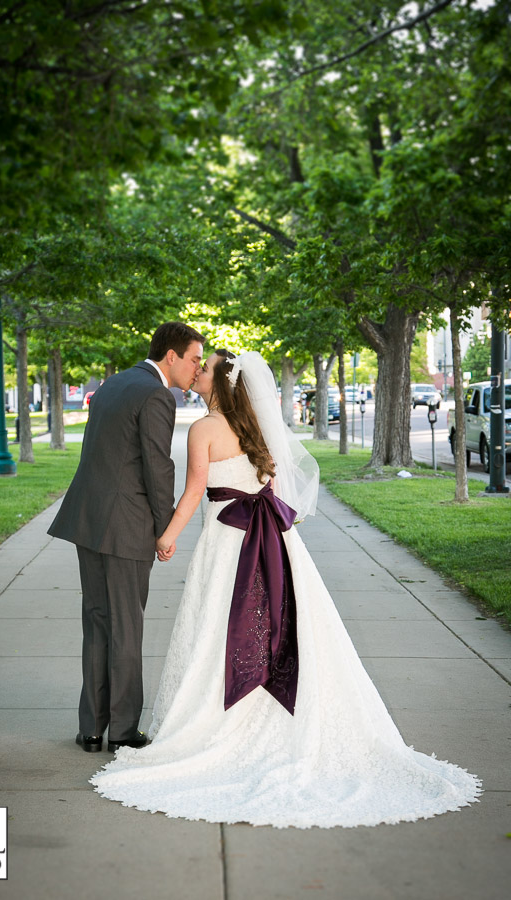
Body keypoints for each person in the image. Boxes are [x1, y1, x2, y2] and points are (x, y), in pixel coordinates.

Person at [90, 350, 481, 829]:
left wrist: (166, 536)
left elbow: (194, 491)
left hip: (228, 544)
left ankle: (214, 724)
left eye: (205, 368)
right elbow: (271, 485)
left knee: (220, 627)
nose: (197, 371)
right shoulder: (255, 427)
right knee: (279, 624)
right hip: (275, 543)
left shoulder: (203, 430)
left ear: (220, 383)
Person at [48, 322, 205, 754]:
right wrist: (165, 529)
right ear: (170, 356)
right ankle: (122, 729)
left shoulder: (115, 383)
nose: (197, 368)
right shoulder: (156, 394)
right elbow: (159, 469)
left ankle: (92, 728)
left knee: (98, 622)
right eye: (194, 359)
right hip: (126, 527)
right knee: (126, 628)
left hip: (89, 520)